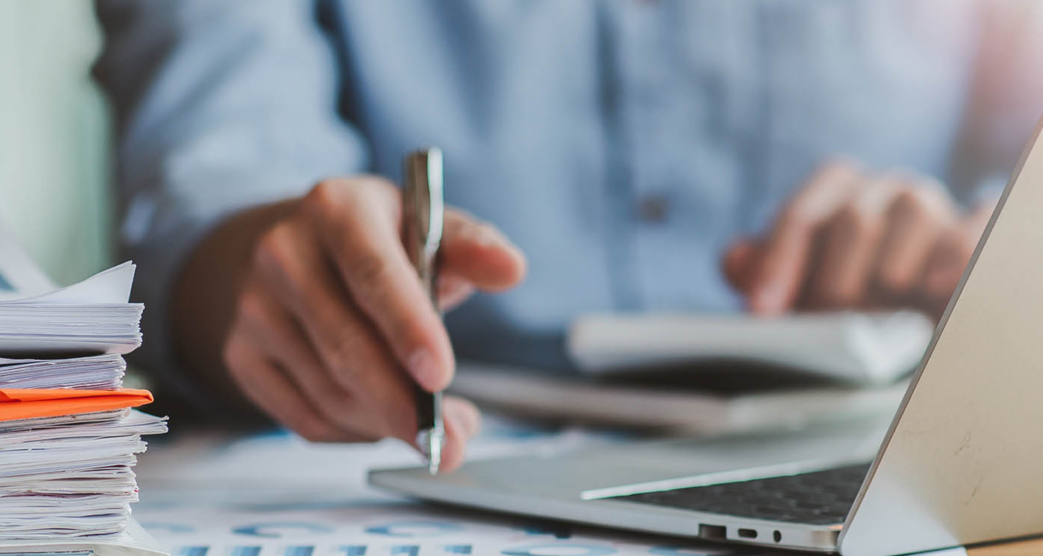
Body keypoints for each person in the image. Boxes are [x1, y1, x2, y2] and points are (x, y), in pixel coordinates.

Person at [93, 0, 1043, 470]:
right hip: (388, 468)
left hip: (876, 453)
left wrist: (993, 256)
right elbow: (205, 182)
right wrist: (259, 268)